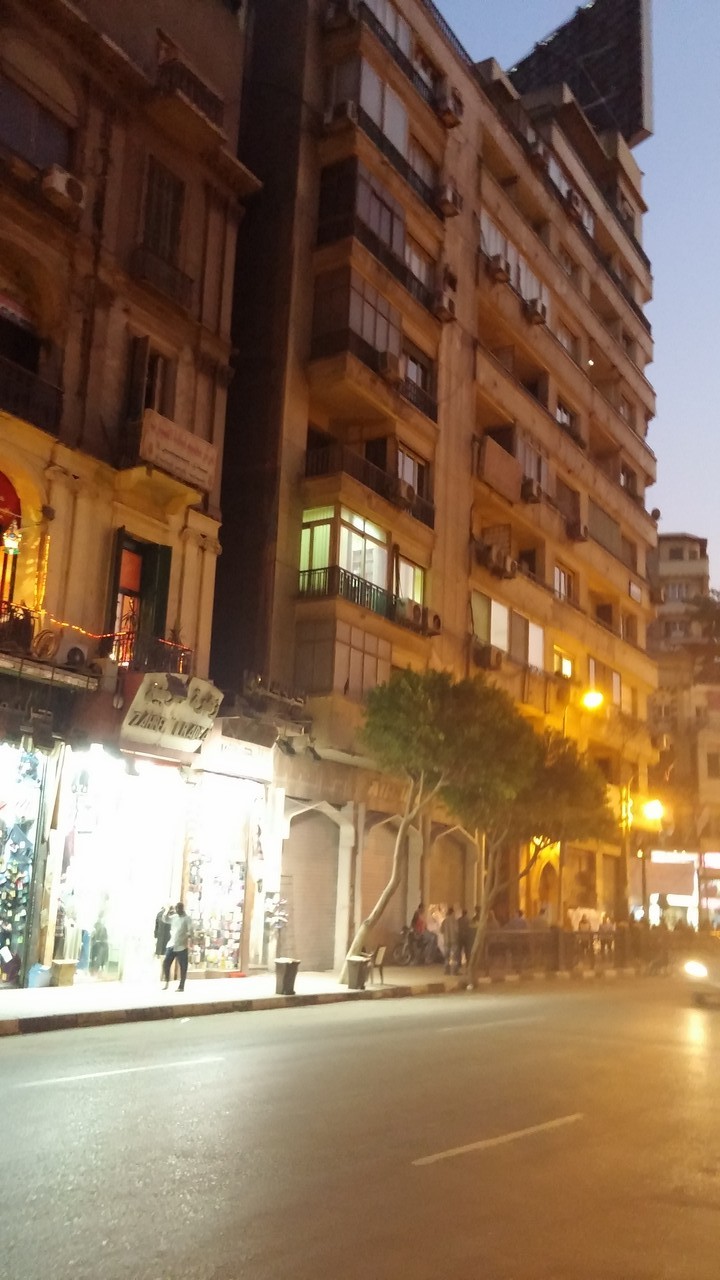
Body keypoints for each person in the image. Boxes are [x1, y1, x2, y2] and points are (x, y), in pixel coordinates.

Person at [162, 902, 190, 992]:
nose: (177, 910)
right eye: (176, 908)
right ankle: (166, 982)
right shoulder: (174, 917)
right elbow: (165, 919)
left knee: (183, 967)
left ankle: (181, 986)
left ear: (182, 908)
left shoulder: (187, 919)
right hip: (172, 944)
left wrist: (187, 937)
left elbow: (190, 930)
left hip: (182, 946)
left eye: (179, 908)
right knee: (166, 963)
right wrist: (167, 910)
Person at [440, 906, 459, 974]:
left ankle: (446, 970)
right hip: (454, 940)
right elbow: (457, 930)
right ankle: (454, 971)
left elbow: (441, 930)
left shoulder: (444, 921)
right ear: (452, 912)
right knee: (454, 956)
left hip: (446, 940)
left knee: (446, 956)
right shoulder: (454, 920)